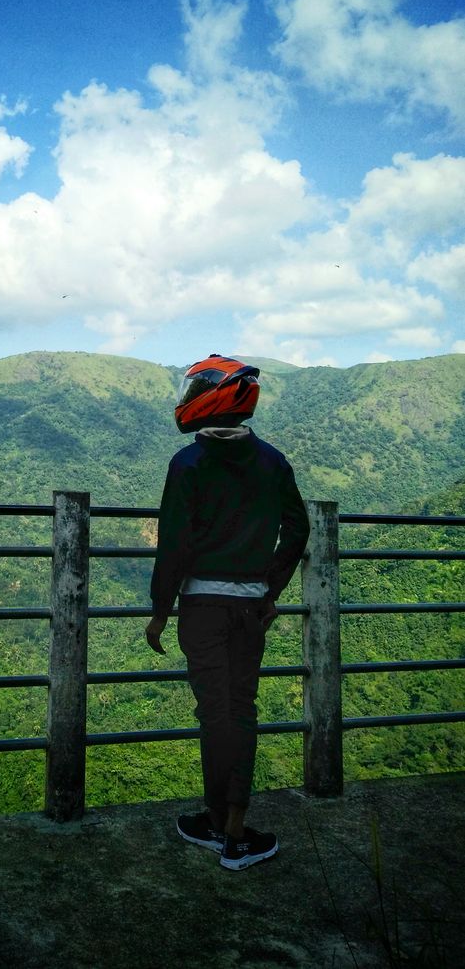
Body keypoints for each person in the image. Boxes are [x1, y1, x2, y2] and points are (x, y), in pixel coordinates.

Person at [145, 354, 310, 871]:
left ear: (213, 396)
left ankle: (219, 827)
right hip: (249, 610)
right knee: (242, 711)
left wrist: (159, 610)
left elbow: (172, 546)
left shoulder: (188, 464)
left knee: (215, 715)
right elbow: (298, 529)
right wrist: (270, 591)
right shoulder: (273, 462)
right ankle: (236, 828)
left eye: (195, 387)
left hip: (203, 611)